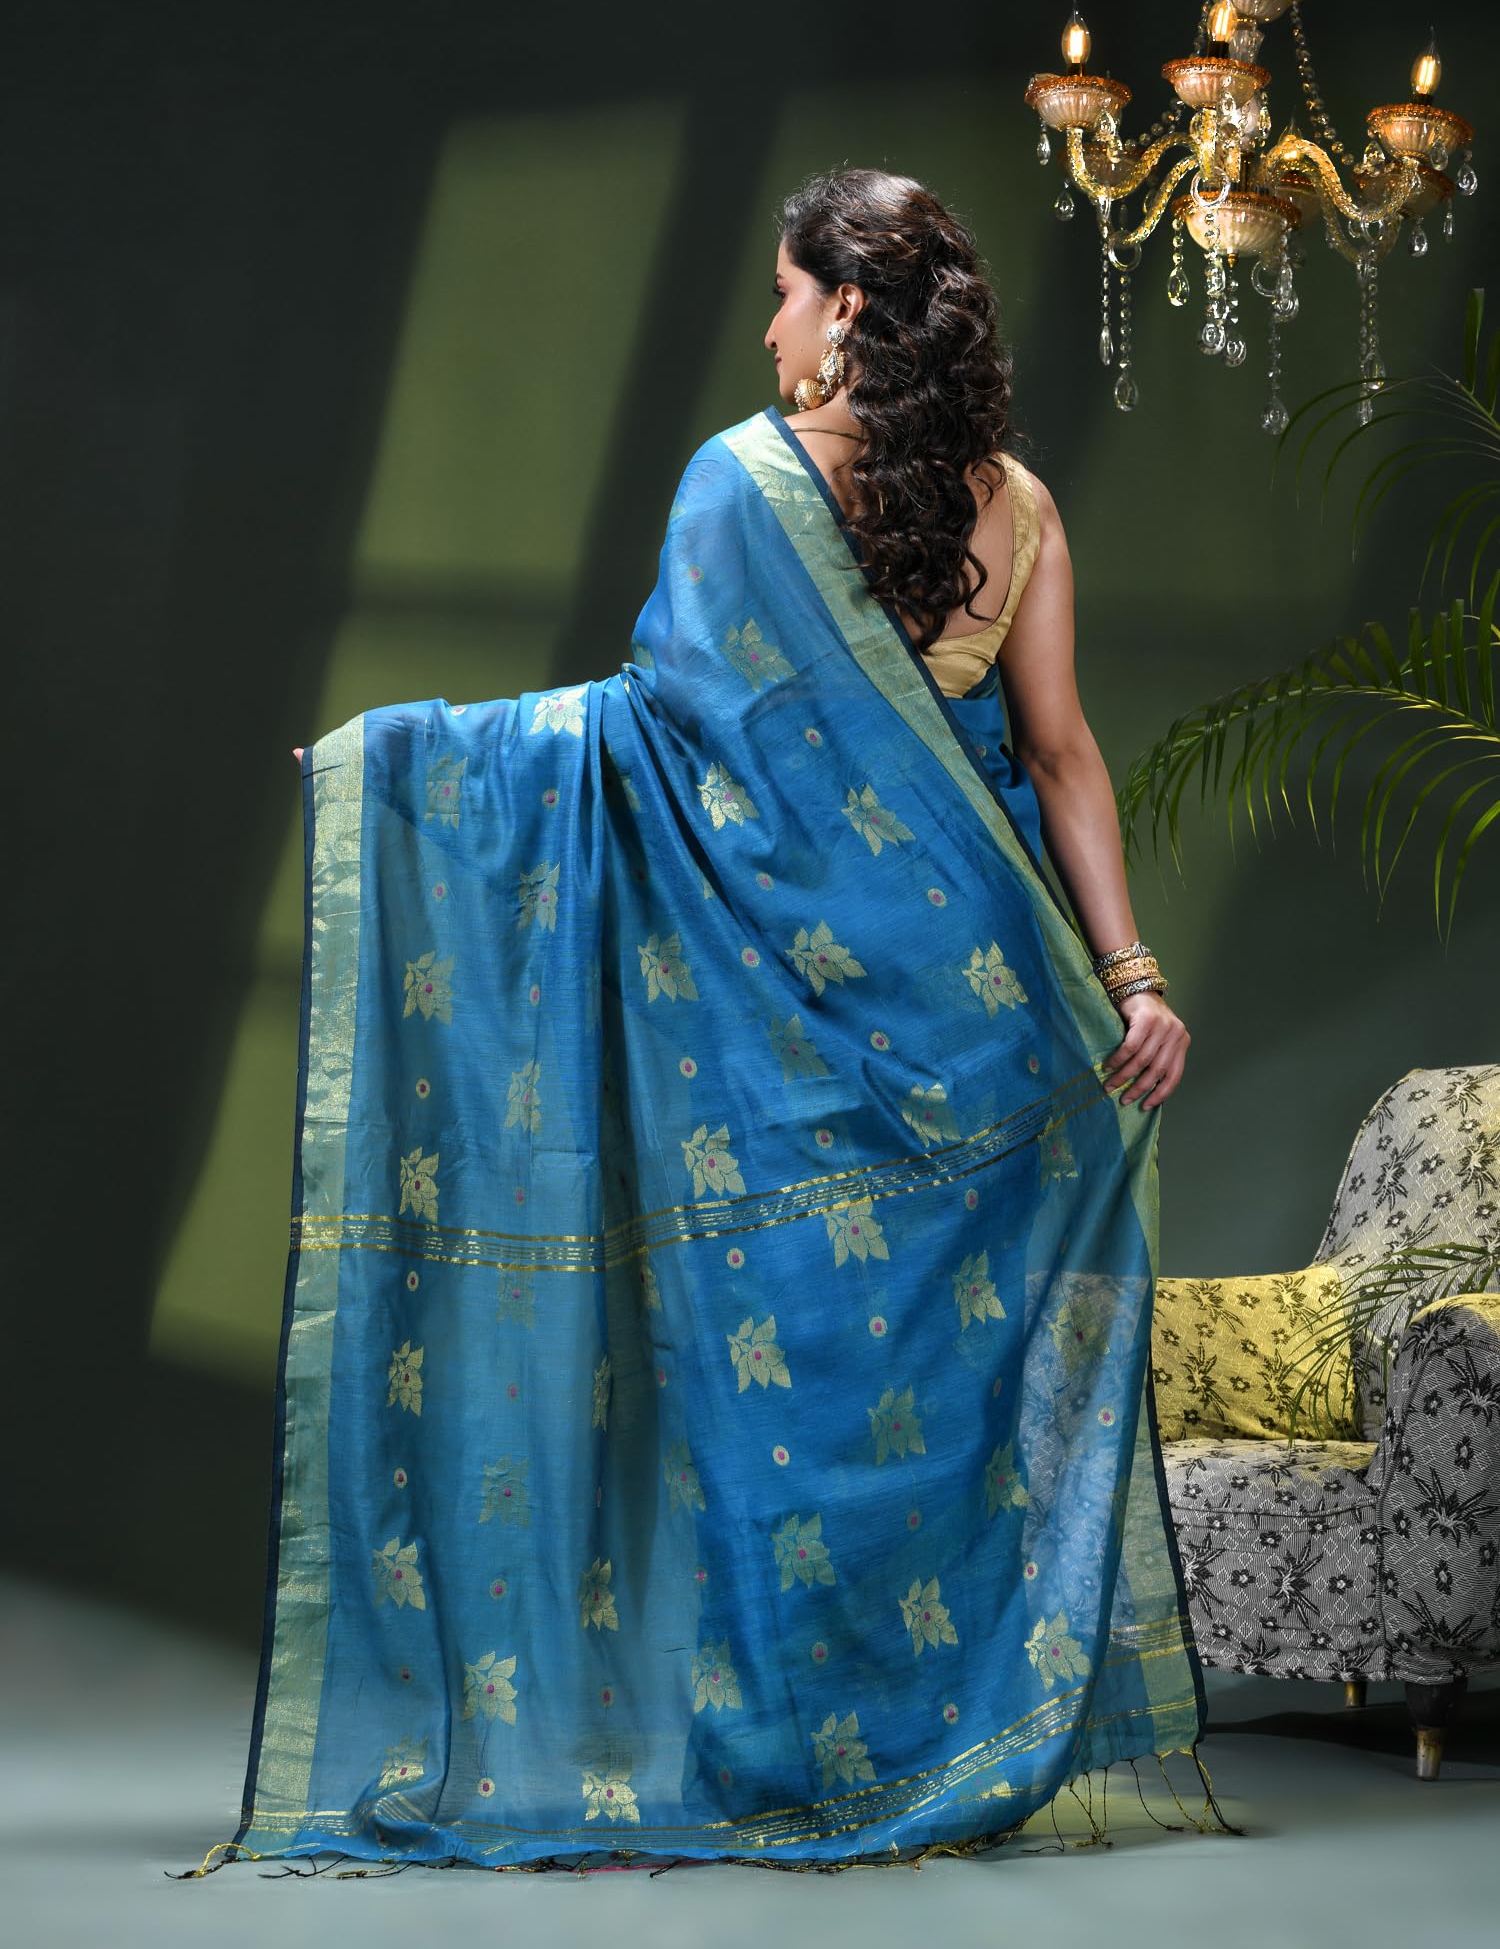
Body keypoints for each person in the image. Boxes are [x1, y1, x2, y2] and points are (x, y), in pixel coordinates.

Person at [195, 168, 1219, 1882]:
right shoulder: (1021, 506)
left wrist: (406, 763)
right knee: (929, 1371)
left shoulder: (739, 482)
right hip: (969, 1007)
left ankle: (779, 1758)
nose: (765, 327)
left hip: (770, 1029)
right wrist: (1132, 977)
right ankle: (934, 1738)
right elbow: (1059, 756)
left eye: (784, 293)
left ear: (847, 308)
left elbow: (654, 739)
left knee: (778, 1372)